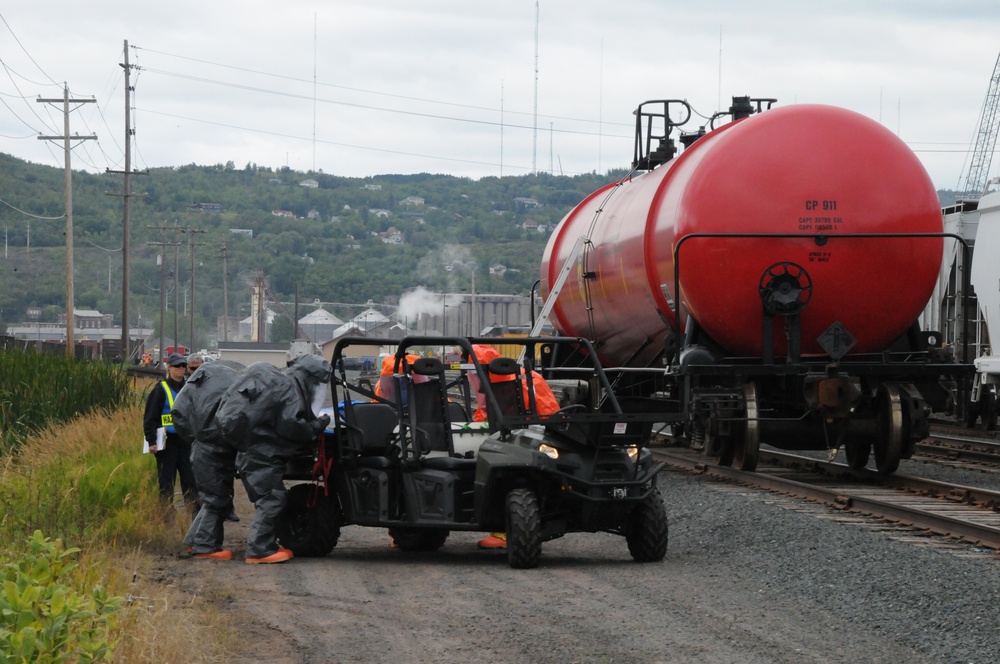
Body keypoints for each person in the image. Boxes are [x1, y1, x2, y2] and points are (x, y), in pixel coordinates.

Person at [215, 354, 332, 564]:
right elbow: (291, 425)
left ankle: (259, 545)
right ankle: (259, 549)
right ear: (309, 378)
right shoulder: (289, 389)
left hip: (253, 452)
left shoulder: (279, 383)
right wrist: (317, 425)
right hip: (262, 455)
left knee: (270, 498)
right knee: (272, 499)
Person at [467, 344, 560, 549]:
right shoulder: (530, 377)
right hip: (547, 442)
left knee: (495, 473)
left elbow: (487, 422)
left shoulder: (494, 388)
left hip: (519, 446)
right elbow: (551, 413)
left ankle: (502, 532)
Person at [173, 361, 242, 560]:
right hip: (208, 453)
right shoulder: (220, 392)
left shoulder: (194, 390)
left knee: (212, 499)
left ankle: (195, 540)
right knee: (215, 500)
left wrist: (195, 437)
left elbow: (179, 414)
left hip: (202, 449)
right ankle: (205, 546)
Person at [143, 352, 199, 515]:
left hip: (186, 441)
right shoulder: (160, 390)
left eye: (183, 366)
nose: (181, 369)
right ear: (168, 367)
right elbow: (150, 417)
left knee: (190, 480)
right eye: (177, 366)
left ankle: (194, 514)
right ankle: (167, 515)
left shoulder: (190, 388)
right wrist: (151, 441)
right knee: (166, 480)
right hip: (166, 442)